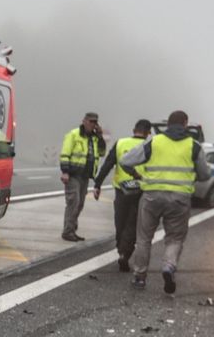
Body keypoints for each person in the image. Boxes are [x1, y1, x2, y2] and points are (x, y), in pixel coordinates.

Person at [122, 110, 211, 294]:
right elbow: (205, 175)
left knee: (144, 238)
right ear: (185, 124)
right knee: (175, 238)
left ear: (168, 124)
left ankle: (139, 278)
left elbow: (125, 160)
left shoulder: (154, 141)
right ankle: (168, 267)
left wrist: (136, 174)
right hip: (180, 198)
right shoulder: (194, 146)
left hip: (152, 195)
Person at [93, 119, 152, 271]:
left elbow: (107, 164)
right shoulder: (149, 146)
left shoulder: (120, 143)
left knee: (120, 222)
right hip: (141, 190)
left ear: (133, 129)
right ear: (148, 133)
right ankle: (125, 254)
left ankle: (121, 250)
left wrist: (97, 184)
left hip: (121, 191)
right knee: (132, 224)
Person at [59, 112, 107, 241]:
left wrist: (101, 136)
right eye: (90, 121)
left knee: (80, 204)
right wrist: (65, 171)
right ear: (84, 121)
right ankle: (68, 231)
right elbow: (65, 153)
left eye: (95, 122)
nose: (92, 124)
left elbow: (102, 153)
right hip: (73, 174)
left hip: (85, 176)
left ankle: (72, 228)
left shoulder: (95, 138)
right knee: (73, 202)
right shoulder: (74, 134)